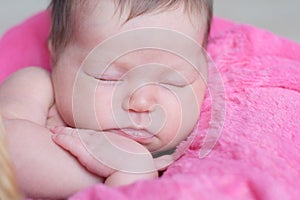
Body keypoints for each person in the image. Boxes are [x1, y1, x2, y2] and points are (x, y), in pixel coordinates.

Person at [0, 0, 213, 199]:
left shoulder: (196, 161)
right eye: (108, 77)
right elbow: (6, 147)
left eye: (173, 82)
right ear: (57, 56)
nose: (141, 103)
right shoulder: (38, 87)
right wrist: (123, 167)